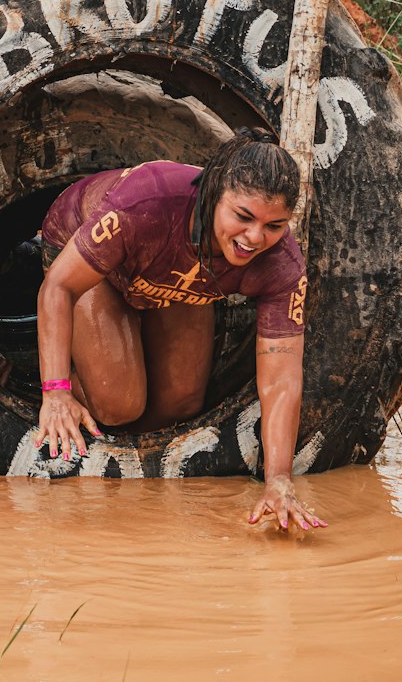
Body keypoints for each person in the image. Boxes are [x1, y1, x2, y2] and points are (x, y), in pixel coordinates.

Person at [34, 129, 324, 533]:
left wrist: (279, 480)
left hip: (172, 279)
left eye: (274, 225)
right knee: (119, 404)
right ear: (215, 192)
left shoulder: (282, 264)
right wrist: (56, 391)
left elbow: (281, 380)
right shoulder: (149, 202)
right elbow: (59, 287)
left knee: (181, 404)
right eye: (242, 217)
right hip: (91, 262)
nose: (255, 238)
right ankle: (66, 381)